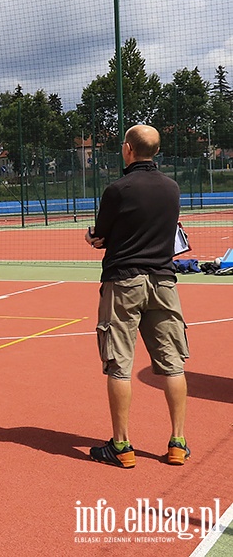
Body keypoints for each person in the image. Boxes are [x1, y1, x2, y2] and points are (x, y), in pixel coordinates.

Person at [84, 124, 189, 468]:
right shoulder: (172, 189)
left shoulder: (117, 189)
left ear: (128, 149)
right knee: (173, 365)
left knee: (119, 364)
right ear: (155, 151)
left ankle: (122, 445)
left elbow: (101, 236)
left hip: (124, 281)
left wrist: (95, 239)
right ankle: (177, 442)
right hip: (163, 282)